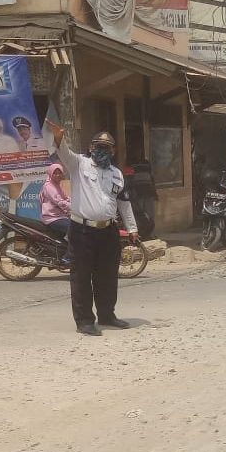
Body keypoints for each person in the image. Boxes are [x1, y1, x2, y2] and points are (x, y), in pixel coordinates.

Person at [47, 121, 139, 336]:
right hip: (82, 231)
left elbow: (124, 203)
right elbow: (64, 153)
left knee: (107, 276)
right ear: (90, 148)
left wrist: (132, 228)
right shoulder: (79, 164)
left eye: (106, 148)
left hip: (108, 231)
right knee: (81, 276)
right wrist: (59, 137)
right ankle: (85, 321)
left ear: (113, 151)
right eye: (98, 147)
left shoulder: (117, 174)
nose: (102, 151)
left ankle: (107, 315)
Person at [39, 163, 72, 264]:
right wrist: (73, 207)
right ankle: (68, 256)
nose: (58, 175)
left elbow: (65, 198)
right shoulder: (48, 186)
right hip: (52, 218)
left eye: (59, 173)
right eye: (55, 173)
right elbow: (59, 201)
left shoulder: (57, 185)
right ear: (50, 174)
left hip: (60, 216)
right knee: (75, 229)